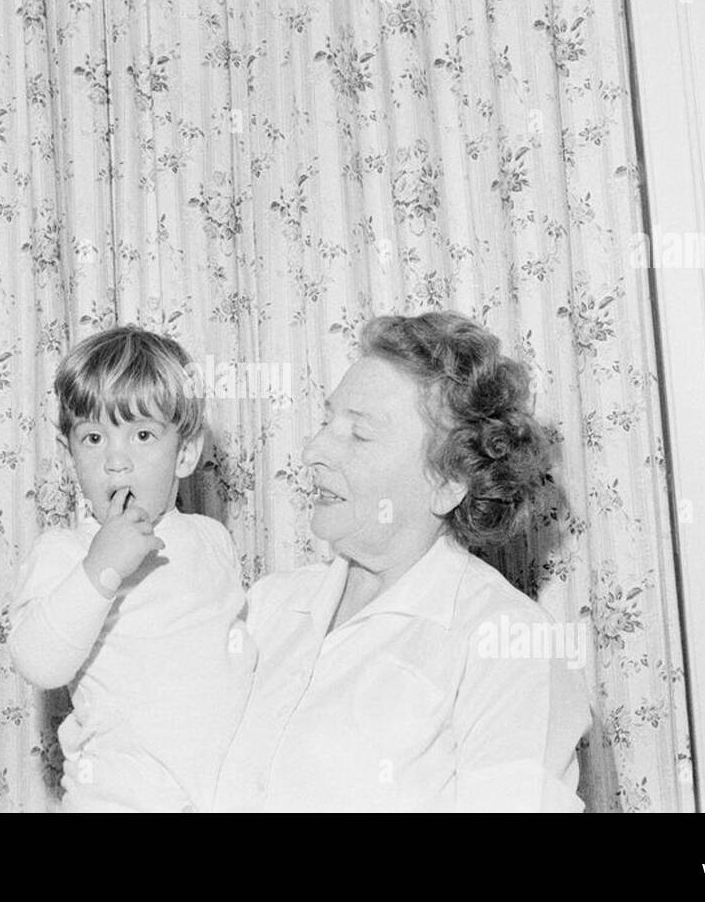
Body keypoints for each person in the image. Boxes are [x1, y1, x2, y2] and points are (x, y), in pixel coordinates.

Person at [212, 311, 592, 812]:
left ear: (449, 481)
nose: (313, 450)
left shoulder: (508, 644)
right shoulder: (266, 606)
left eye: (360, 435)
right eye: (329, 421)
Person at [7, 326, 255, 812]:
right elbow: (38, 661)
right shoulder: (65, 552)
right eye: (94, 438)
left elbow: (237, 658)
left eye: (142, 435)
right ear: (70, 455)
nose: (116, 461)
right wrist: (101, 568)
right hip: (116, 800)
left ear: (184, 452)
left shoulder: (212, 540)